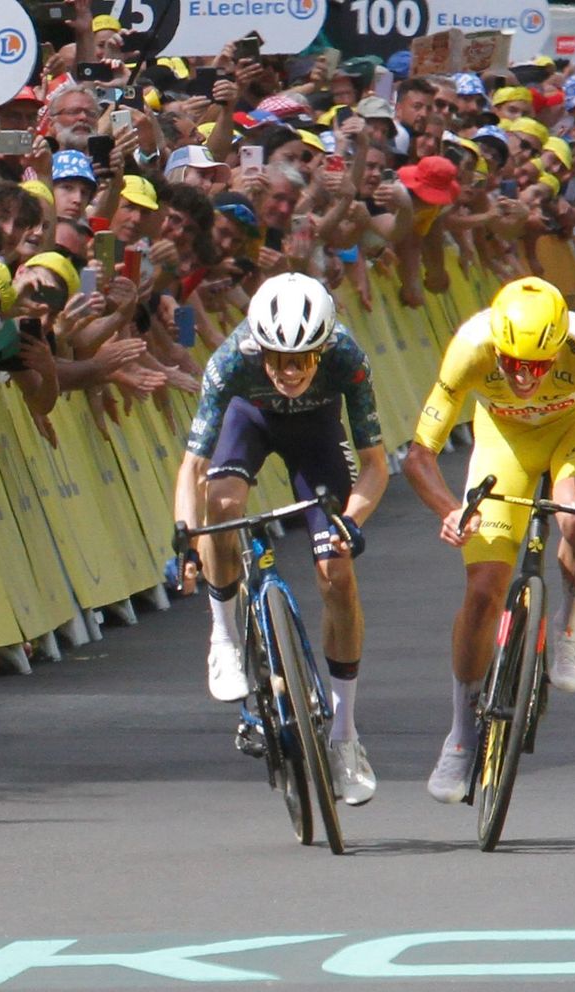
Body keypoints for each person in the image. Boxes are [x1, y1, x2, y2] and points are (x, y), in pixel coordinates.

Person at [402, 277, 575, 803]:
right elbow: (418, 455)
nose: (521, 376)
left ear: (558, 349)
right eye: (511, 363)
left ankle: (570, 619)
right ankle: (462, 733)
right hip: (503, 444)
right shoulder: (471, 347)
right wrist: (450, 511)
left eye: (536, 366)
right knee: (484, 588)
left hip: (573, 433)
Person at [173, 273, 387, 806]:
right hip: (250, 421)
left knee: (337, 574)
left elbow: (376, 466)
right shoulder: (230, 360)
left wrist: (352, 521)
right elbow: (193, 466)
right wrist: (183, 533)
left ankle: (344, 735)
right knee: (221, 505)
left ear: (322, 349)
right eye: (276, 358)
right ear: (258, 345)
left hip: (317, 431)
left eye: (301, 360)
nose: (288, 371)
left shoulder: (346, 356)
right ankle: (223, 633)